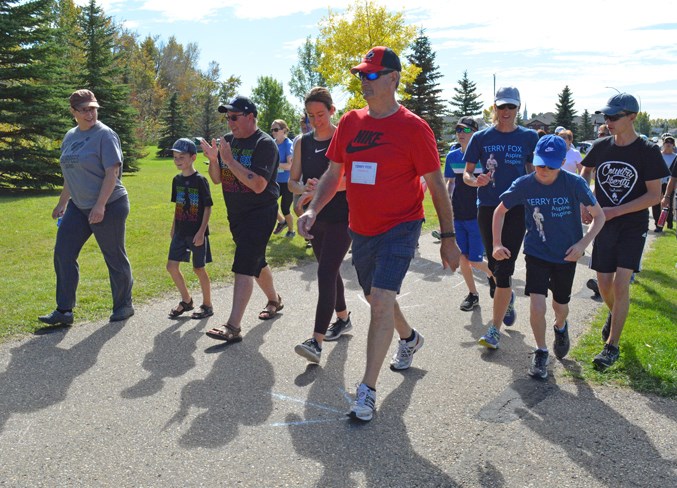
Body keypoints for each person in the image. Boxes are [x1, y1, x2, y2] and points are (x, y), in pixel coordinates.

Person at [297, 46, 461, 421]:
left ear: (393, 78)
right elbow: (333, 173)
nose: (364, 82)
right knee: (375, 297)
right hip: (362, 228)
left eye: (372, 75)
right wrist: (312, 209)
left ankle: (366, 390)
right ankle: (409, 338)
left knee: (382, 298)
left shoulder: (414, 128)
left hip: (401, 226)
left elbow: (436, 185)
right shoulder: (352, 123)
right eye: (361, 75)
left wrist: (449, 238)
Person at [493, 135, 605, 379]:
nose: (543, 170)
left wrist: (582, 243)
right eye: (540, 164)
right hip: (537, 252)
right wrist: (496, 243)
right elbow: (499, 211)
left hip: (566, 255)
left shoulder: (574, 184)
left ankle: (560, 326)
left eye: (551, 166)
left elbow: (600, 216)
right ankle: (541, 350)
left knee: (560, 306)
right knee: (537, 304)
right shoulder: (524, 184)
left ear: (562, 162)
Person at [580, 93, 669, 370]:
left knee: (620, 284)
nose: (608, 122)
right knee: (604, 284)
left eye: (614, 117)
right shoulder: (601, 146)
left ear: (632, 117)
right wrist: (586, 201)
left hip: (632, 225)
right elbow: (584, 173)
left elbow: (654, 196)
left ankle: (612, 346)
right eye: (606, 117)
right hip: (603, 224)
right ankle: (615, 314)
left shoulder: (647, 151)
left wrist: (616, 211)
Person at [39, 89, 134, 326]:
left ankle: (124, 305)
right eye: (84, 109)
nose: (90, 113)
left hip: (110, 204)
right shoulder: (70, 136)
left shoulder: (105, 135)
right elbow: (71, 174)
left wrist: (100, 205)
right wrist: (62, 203)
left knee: (113, 256)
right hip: (78, 207)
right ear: (73, 112)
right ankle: (64, 310)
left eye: (92, 108)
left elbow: (112, 172)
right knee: (63, 252)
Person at [200, 95, 283, 343]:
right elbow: (217, 179)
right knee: (256, 262)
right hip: (236, 213)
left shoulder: (265, 144)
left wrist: (230, 160)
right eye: (227, 118)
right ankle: (274, 300)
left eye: (234, 117)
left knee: (244, 264)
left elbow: (258, 185)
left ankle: (233, 327)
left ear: (250, 116)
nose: (230, 122)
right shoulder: (228, 142)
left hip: (261, 212)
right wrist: (215, 161)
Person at [463, 86, 539, 350]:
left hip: (516, 209)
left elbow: (534, 170)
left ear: (518, 109)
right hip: (487, 206)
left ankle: (493, 329)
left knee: (504, 265)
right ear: (494, 108)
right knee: (495, 266)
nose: (506, 112)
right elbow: (467, 173)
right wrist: (476, 181)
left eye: (511, 107)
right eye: (501, 107)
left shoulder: (529, 137)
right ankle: (506, 297)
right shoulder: (481, 138)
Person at [288, 87, 352, 364]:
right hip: (314, 218)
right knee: (330, 269)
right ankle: (343, 318)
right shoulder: (302, 141)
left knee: (326, 272)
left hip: (343, 216)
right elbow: (292, 181)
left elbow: (352, 180)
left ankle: (316, 341)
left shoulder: (344, 137)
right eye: (311, 115)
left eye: (321, 114)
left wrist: (323, 188)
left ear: (332, 110)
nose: (316, 120)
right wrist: (303, 189)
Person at [444, 116, 495, 311]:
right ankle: (473, 294)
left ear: (475, 133)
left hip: (478, 216)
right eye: (458, 130)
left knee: (473, 259)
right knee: (463, 258)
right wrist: (448, 205)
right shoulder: (452, 157)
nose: (460, 133)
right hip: (459, 214)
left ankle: (498, 280)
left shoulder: (484, 157)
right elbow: (450, 182)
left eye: (465, 130)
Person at [166, 138, 214, 320]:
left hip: (196, 233)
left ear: (193, 157)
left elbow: (208, 207)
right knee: (171, 266)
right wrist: (173, 227)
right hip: (180, 231)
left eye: (182, 157)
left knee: (198, 269)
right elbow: (177, 205)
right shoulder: (176, 180)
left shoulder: (200, 180)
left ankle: (207, 305)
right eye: (175, 157)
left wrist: (201, 232)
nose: (178, 161)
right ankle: (187, 300)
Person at [271, 119, 296, 238]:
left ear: (284, 130)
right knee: (268, 203)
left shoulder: (288, 144)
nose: (273, 132)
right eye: (272, 130)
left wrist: (274, 164)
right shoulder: (272, 143)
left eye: (276, 129)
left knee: (285, 208)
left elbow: (289, 166)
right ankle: (282, 222)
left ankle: (291, 230)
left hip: (287, 182)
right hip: (275, 181)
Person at [651, 133, 676, 231]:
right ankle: (658, 224)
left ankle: (669, 222)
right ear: (663, 144)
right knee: (656, 204)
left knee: (668, 204)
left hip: (670, 184)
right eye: (666, 142)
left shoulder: (675, 157)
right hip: (657, 183)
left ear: (673, 145)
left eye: (671, 142)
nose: (668, 144)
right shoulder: (658, 156)